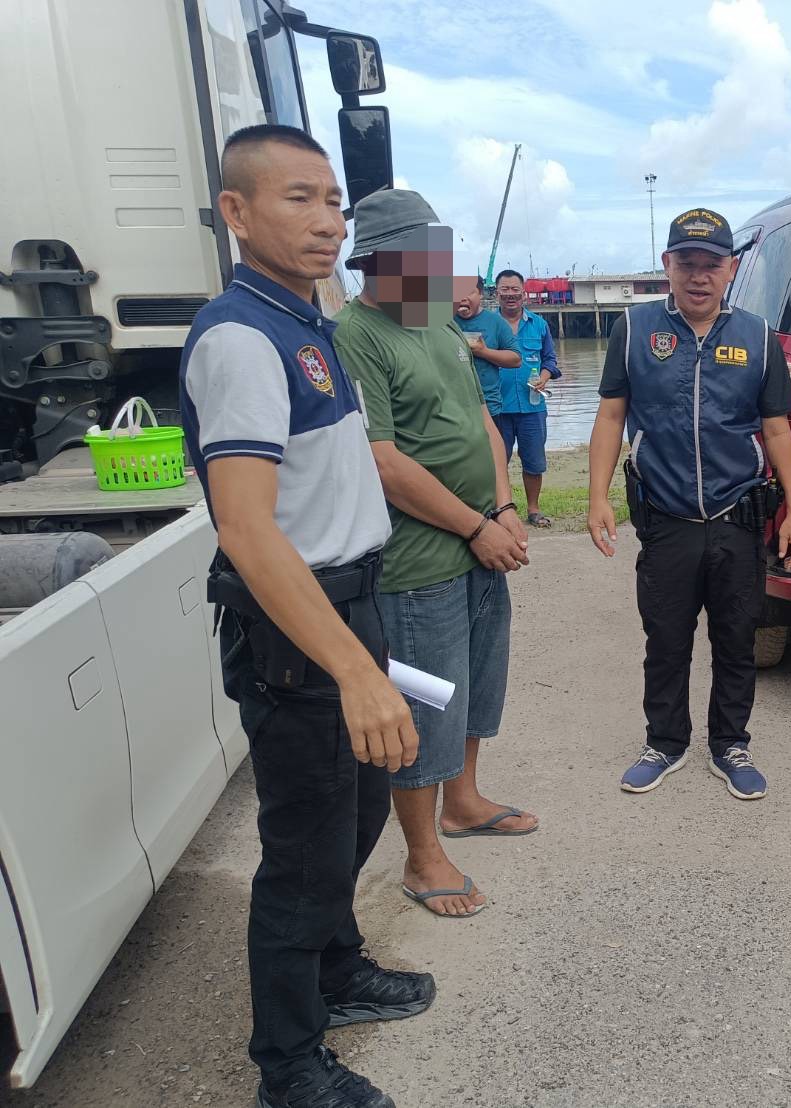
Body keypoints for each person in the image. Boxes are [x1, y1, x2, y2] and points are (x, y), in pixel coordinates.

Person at [181, 125, 430, 1108]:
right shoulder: (242, 337)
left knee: (356, 812)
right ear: (236, 212)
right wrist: (356, 671)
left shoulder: (306, 321)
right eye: (298, 198)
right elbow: (247, 529)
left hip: (351, 603)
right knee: (303, 852)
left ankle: (337, 969)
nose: (328, 221)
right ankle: (287, 1065)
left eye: (332, 200)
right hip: (302, 629)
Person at [333, 189, 539, 922]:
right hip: (418, 565)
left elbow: (480, 417)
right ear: (378, 263)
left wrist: (504, 509)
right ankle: (422, 856)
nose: (435, 270)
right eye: (421, 258)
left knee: (478, 686)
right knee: (425, 705)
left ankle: (464, 802)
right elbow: (382, 460)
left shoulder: (436, 321)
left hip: (482, 544)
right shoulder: (355, 335)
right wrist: (475, 527)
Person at [587, 207, 791, 800]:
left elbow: (777, 429)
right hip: (667, 519)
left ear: (730, 268)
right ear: (667, 265)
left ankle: (731, 744)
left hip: (738, 518)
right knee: (666, 640)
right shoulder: (633, 329)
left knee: (737, 638)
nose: (699, 276)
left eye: (712, 264)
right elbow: (610, 416)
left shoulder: (758, 337)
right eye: (687, 262)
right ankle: (664, 742)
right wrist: (597, 497)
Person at [492, 269, 563, 526]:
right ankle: (500, 509)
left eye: (515, 289)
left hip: (532, 407)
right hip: (496, 407)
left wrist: (544, 377)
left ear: (523, 293)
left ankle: (533, 510)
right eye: (505, 289)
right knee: (495, 462)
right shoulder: (487, 325)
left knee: (533, 461)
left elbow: (550, 360)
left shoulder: (539, 325)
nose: (510, 294)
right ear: (497, 293)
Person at [453, 273, 523, 420]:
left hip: (488, 407)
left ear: (480, 294)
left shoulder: (496, 322)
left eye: (469, 292)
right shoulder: (442, 322)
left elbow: (516, 359)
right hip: (450, 409)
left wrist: (484, 352)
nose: (462, 298)